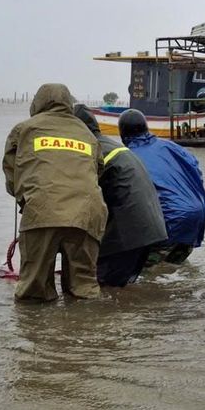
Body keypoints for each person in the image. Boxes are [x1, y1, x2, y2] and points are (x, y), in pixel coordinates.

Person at [2, 83, 107, 301]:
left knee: (33, 292)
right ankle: (88, 330)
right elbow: (98, 172)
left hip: (42, 211)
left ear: (37, 103)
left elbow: (12, 174)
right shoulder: (87, 133)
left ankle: (35, 332)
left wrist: (25, 200)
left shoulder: (24, 130)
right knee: (84, 289)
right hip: (87, 215)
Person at [73, 104, 168, 286]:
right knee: (122, 292)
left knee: (101, 290)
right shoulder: (113, 146)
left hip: (127, 237)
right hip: (151, 232)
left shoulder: (91, 150)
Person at [118, 109, 205, 266]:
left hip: (170, 220)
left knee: (142, 277)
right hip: (197, 218)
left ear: (122, 134)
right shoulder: (173, 147)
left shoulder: (128, 157)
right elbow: (197, 172)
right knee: (174, 272)